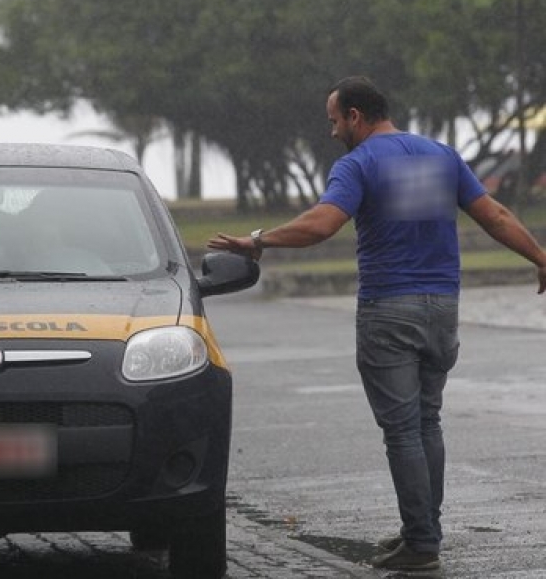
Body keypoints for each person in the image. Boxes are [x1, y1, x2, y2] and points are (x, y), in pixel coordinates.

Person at [207, 76, 546, 572]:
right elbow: (492, 214)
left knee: (404, 431)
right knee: (427, 423)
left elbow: (322, 223)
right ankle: (420, 532)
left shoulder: (359, 163)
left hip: (390, 310)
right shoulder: (441, 156)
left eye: (334, 121)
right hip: (442, 308)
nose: (332, 131)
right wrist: (539, 255)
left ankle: (422, 545)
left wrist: (258, 239)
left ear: (356, 118)